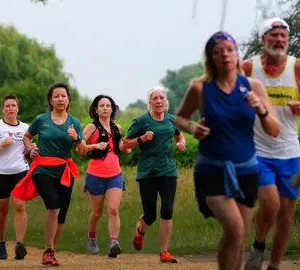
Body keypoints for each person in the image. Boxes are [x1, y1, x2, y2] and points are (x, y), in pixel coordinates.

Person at [175, 31, 280, 270]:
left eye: (229, 50)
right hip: (212, 167)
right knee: (235, 228)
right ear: (211, 58)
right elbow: (180, 118)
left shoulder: (253, 87)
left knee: (239, 238)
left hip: (246, 169)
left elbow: (274, 130)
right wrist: (193, 128)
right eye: (218, 51)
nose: (225, 55)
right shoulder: (200, 88)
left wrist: (261, 109)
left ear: (237, 53)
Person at [242, 18, 300, 270]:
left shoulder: (297, 67)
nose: (279, 40)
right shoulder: (248, 67)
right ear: (263, 39)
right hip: (257, 151)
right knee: (269, 202)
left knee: (286, 215)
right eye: (273, 35)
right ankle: (258, 246)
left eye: (283, 35)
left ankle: (275, 265)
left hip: (290, 152)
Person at [11, 82, 87, 267]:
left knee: (62, 214)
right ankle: (49, 250)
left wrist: (76, 138)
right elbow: (27, 136)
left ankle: (50, 250)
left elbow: (83, 150)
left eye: (63, 96)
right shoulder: (42, 119)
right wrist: (29, 151)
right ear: (51, 100)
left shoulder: (74, 123)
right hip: (43, 169)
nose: (60, 99)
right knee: (53, 206)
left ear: (68, 100)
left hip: (65, 171)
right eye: (56, 96)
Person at [122, 87, 186, 263]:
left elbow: (180, 137)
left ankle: (164, 252)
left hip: (168, 171)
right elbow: (124, 144)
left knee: (167, 210)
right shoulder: (141, 121)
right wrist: (141, 139)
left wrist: (181, 144)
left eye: (161, 98)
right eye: (155, 98)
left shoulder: (171, 120)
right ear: (149, 102)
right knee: (150, 215)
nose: (159, 101)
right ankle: (140, 230)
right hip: (147, 172)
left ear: (165, 102)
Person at [81, 94, 130, 258]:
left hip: (115, 173)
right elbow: (79, 149)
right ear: (96, 109)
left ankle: (113, 243)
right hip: (95, 174)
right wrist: (94, 145)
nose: (105, 108)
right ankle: (92, 236)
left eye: (108, 106)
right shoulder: (91, 128)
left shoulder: (117, 128)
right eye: (101, 106)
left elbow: (120, 146)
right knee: (97, 213)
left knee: (114, 209)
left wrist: (127, 147)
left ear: (112, 109)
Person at [0, 94, 29, 260]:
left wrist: (31, 148)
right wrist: (0, 144)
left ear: (17, 109)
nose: (11, 108)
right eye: (8, 106)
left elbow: (28, 147)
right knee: (2, 212)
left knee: (20, 205)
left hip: (20, 170)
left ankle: (19, 244)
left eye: (13, 106)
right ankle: (1, 240)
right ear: (3, 109)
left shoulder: (25, 127)